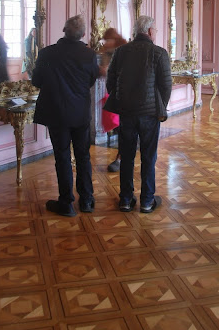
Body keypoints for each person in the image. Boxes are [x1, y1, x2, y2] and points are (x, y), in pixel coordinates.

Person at [32, 15, 100, 216]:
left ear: (63, 29)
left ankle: (67, 203)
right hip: (80, 113)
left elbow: (36, 81)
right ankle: (86, 200)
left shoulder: (47, 54)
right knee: (83, 156)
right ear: (83, 34)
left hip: (57, 114)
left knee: (62, 157)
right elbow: (91, 80)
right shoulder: (89, 55)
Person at [104, 15, 172, 213]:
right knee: (149, 157)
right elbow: (166, 85)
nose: (155, 33)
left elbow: (111, 80)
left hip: (126, 112)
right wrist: (160, 106)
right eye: (156, 30)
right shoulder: (159, 53)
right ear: (150, 31)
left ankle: (125, 199)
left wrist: (119, 99)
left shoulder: (121, 52)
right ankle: (147, 201)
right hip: (150, 114)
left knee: (126, 156)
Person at [99, 28, 127, 172]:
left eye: (108, 40)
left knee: (123, 127)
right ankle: (121, 156)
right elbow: (105, 71)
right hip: (112, 93)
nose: (106, 42)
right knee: (118, 126)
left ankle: (120, 158)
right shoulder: (105, 52)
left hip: (123, 93)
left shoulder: (123, 50)